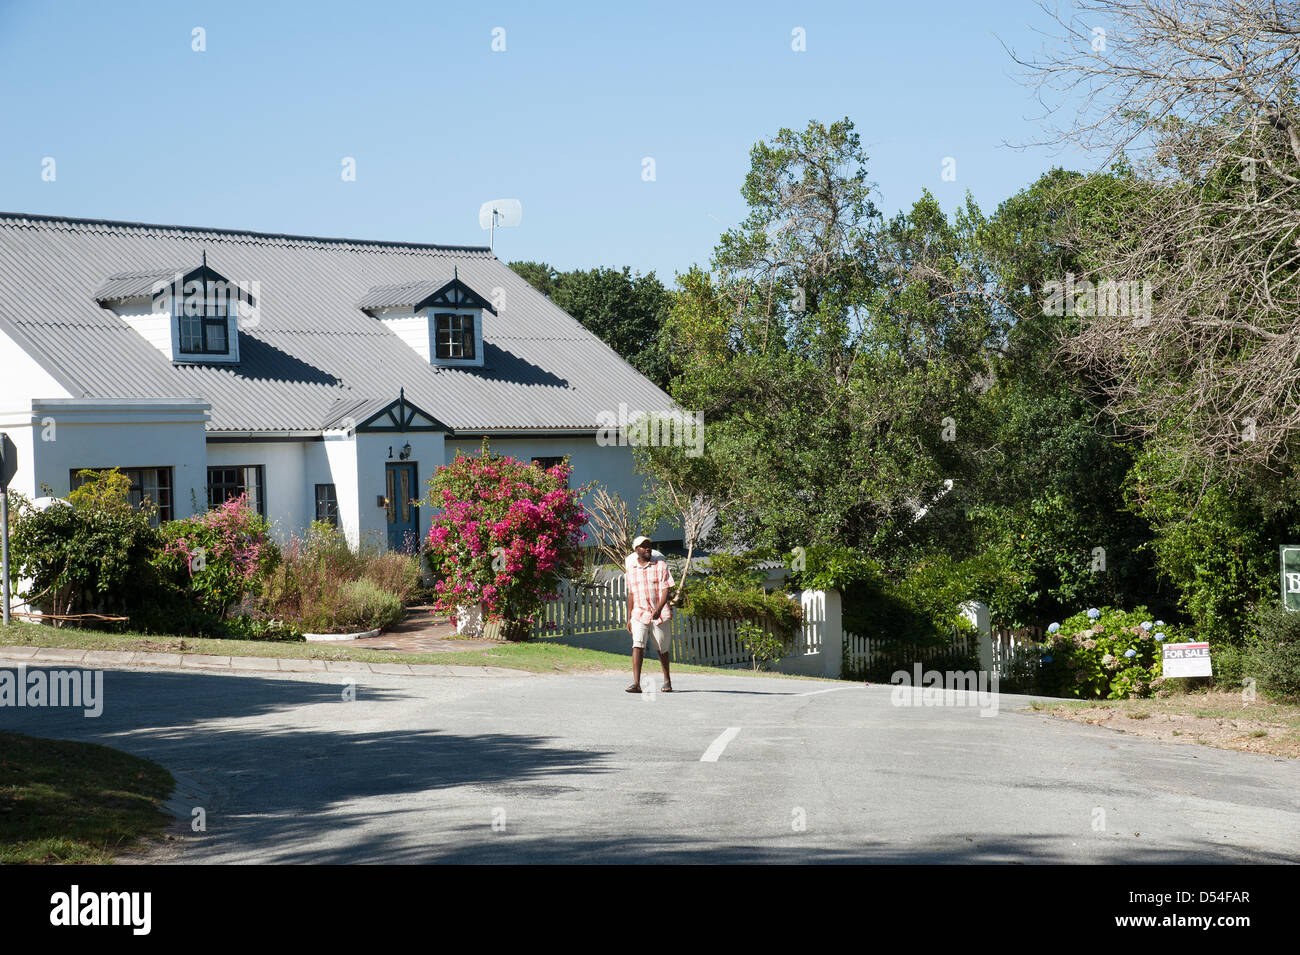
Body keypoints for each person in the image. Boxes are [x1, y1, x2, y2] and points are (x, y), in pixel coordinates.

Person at [624, 535, 674, 693]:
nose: (647, 548)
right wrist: (629, 617)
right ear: (636, 550)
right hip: (639, 613)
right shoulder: (631, 570)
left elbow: (666, 588)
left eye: (648, 545)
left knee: (662, 648)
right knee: (637, 645)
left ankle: (667, 680)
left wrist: (658, 609)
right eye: (643, 546)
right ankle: (636, 683)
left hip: (659, 614)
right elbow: (631, 594)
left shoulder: (660, 566)